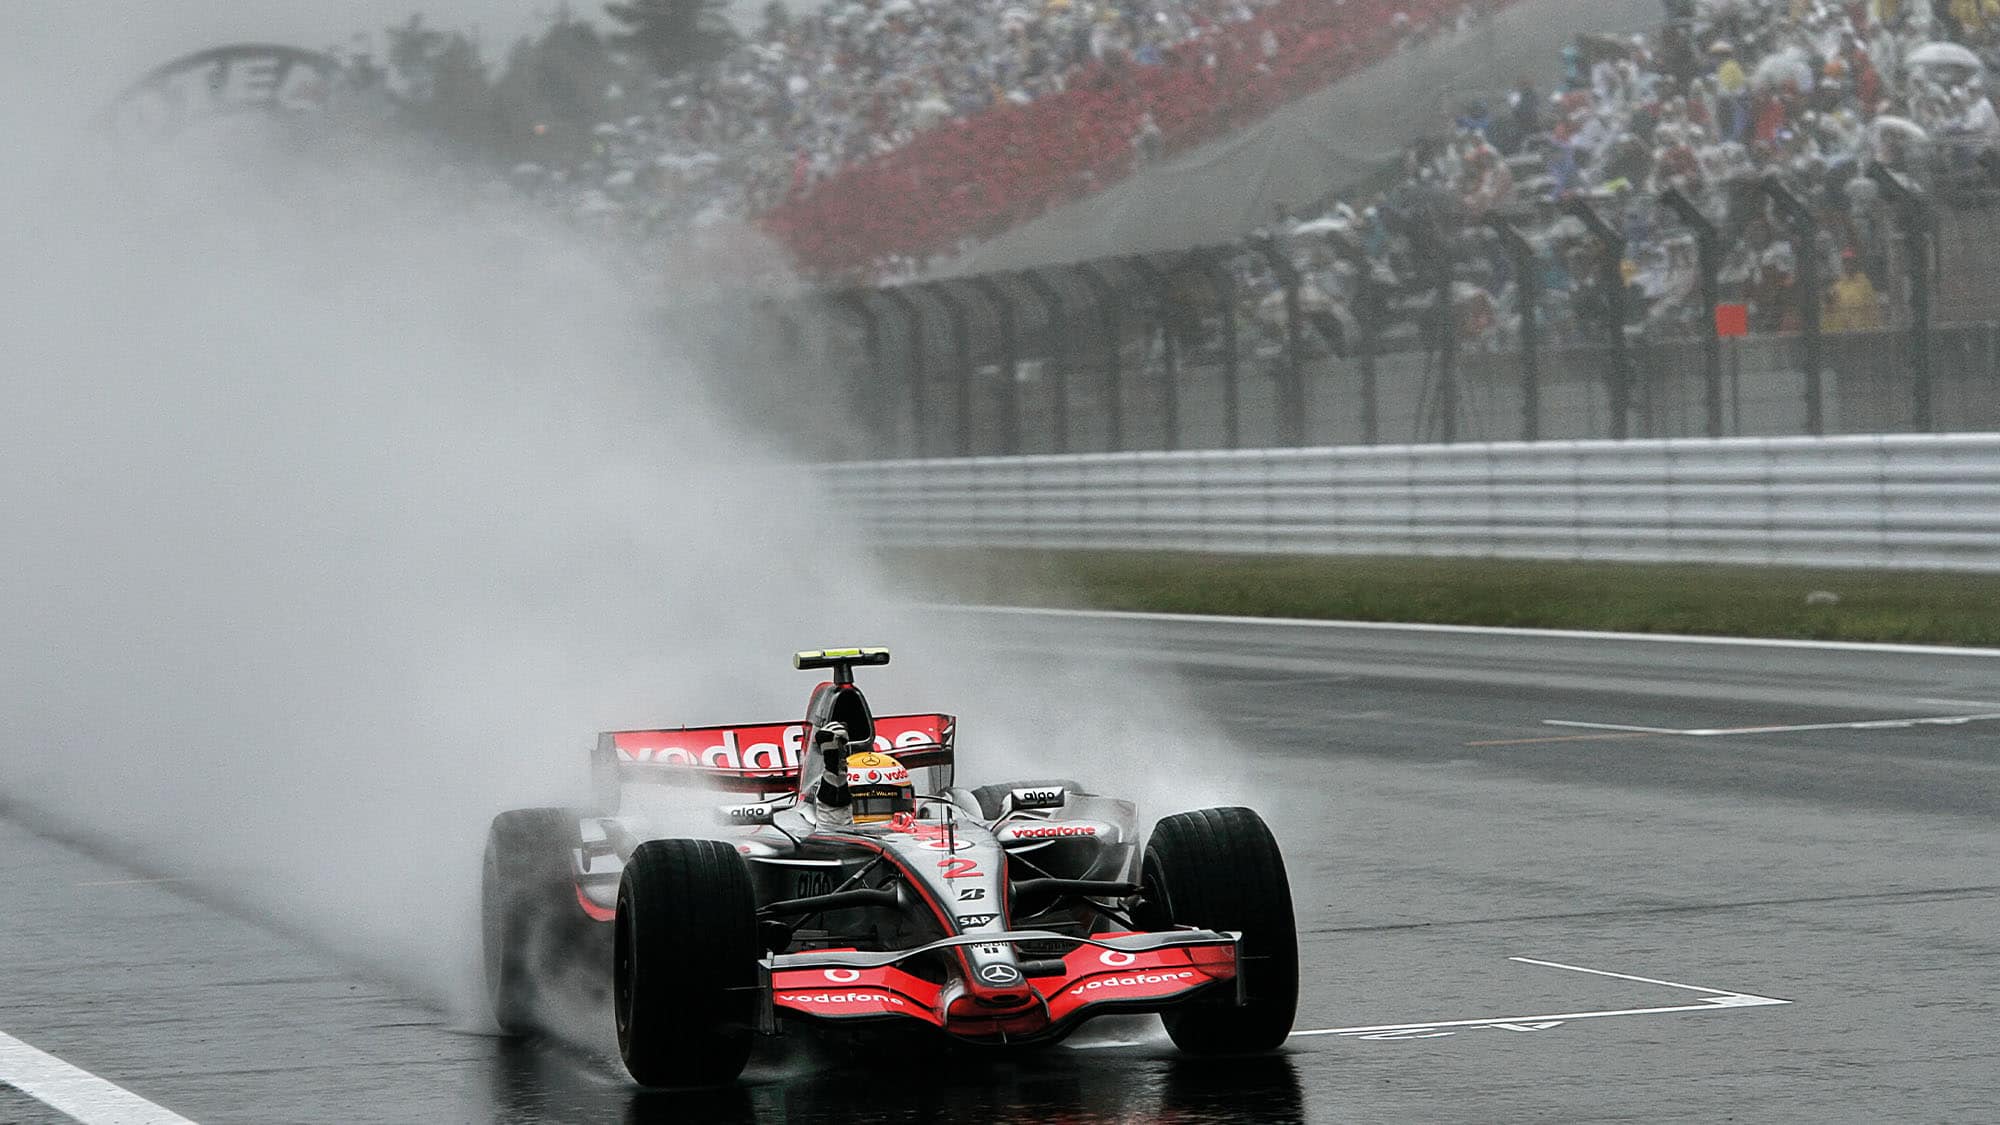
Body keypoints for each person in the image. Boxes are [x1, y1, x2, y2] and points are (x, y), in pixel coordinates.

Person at [804, 722, 915, 826]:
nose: (875, 820)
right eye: (862, 807)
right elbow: (836, 820)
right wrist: (832, 763)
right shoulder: (839, 830)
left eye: (884, 805)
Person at [1824, 250, 1884, 332]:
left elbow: (1872, 308)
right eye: (1845, 262)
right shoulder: (1838, 286)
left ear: (1855, 264)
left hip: (1862, 331)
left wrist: (1874, 328)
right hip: (1843, 332)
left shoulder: (1864, 283)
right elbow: (1831, 310)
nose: (1848, 265)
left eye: (1851, 262)